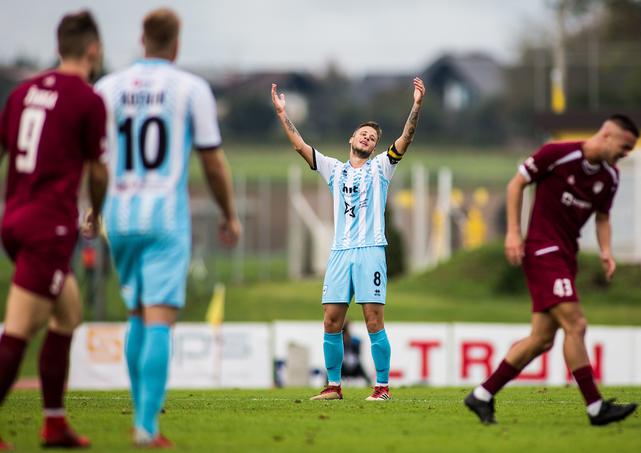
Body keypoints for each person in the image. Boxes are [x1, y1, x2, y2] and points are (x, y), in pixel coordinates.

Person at [93, 8, 240, 448]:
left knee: (136, 313)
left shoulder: (107, 89)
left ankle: (142, 420)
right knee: (158, 319)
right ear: (176, 43)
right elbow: (212, 160)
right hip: (164, 216)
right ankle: (146, 427)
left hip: (118, 216)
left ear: (142, 39)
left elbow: (97, 163)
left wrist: (92, 209)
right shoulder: (191, 89)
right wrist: (228, 213)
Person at [464, 114, 640, 426]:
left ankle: (482, 395)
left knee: (542, 339)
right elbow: (516, 183)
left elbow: (602, 217)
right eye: (623, 147)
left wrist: (606, 251)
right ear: (607, 134)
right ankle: (596, 408)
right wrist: (513, 233)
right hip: (543, 251)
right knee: (577, 324)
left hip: (565, 255)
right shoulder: (558, 154)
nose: (624, 155)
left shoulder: (610, 177)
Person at [271, 77, 426, 401]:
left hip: (370, 250)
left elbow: (406, 138)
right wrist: (283, 113)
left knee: (372, 319)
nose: (368, 138)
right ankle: (334, 386)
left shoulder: (382, 167)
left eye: (373, 137)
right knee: (332, 320)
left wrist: (415, 106)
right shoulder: (333, 169)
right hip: (340, 252)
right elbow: (299, 145)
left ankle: (382, 388)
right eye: (364, 134)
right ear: (351, 139)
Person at [0, 10, 108, 449]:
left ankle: (54, 422)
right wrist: (96, 213)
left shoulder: (24, 92)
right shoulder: (86, 99)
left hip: (14, 219)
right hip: (48, 228)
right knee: (19, 330)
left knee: (69, 313)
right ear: (93, 49)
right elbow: (98, 172)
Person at [341, 320, 372, 387]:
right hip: (342, 364)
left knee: (367, 377)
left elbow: (358, 352)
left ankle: (370, 387)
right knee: (331, 372)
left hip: (355, 364)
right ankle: (329, 386)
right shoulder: (339, 340)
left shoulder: (354, 340)